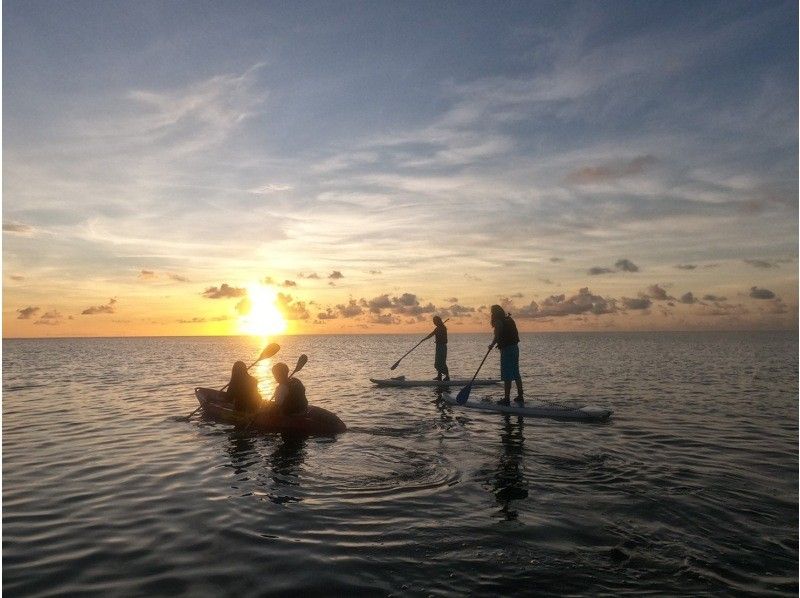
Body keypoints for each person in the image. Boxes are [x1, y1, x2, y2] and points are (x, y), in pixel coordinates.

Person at [489, 305, 523, 405]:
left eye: (492, 312)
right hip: (515, 348)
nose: (491, 314)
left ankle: (506, 399)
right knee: (516, 372)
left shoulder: (499, 322)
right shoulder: (509, 319)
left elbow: (497, 336)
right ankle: (520, 396)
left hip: (507, 350)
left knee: (507, 374)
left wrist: (491, 345)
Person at [424, 316, 450, 381]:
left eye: (435, 321)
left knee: (442, 362)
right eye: (433, 321)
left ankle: (447, 376)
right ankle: (439, 376)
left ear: (438, 321)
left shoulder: (443, 328)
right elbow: (432, 334)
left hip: (442, 347)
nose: (434, 323)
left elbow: (444, 339)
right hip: (438, 347)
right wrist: (424, 339)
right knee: (437, 363)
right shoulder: (437, 328)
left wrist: (439, 336)